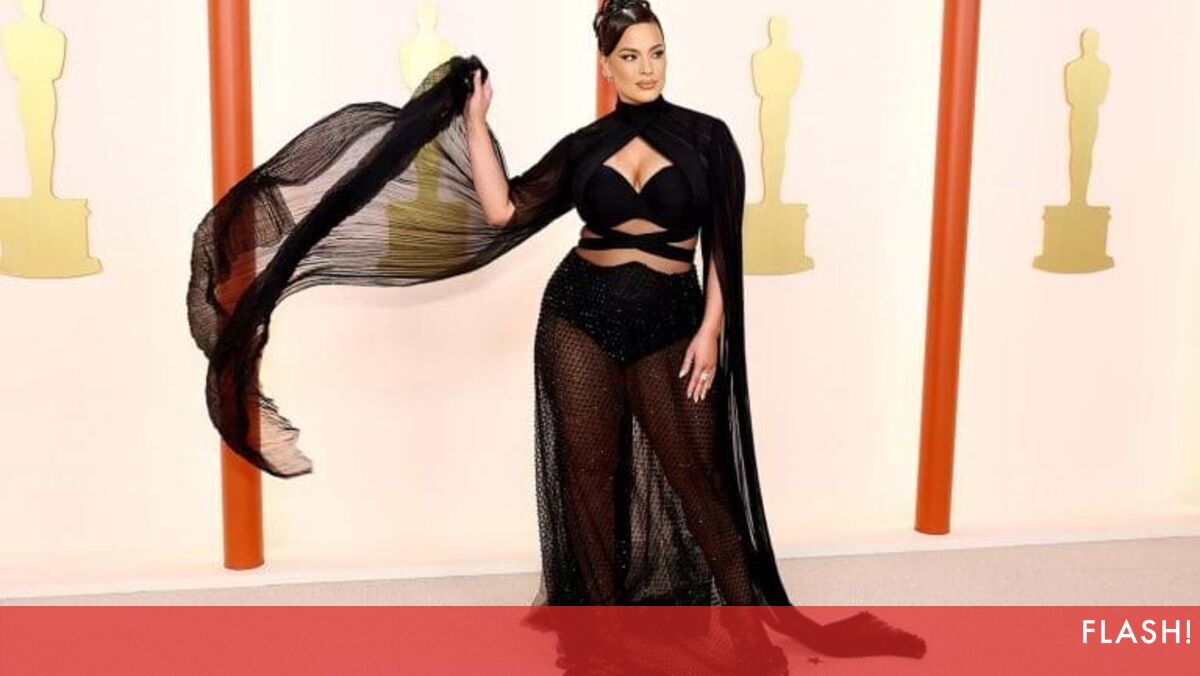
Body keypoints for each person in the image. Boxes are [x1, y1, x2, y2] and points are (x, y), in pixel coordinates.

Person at [187, 0, 926, 671]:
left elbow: (723, 250)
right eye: (630, 56)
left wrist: (711, 328)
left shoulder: (709, 138)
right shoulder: (585, 146)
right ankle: (602, 641)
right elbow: (504, 210)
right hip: (578, 317)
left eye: (656, 53)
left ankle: (751, 639)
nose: (646, 68)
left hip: (672, 322)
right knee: (587, 479)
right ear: (606, 66)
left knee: (700, 480)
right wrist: (477, 124)